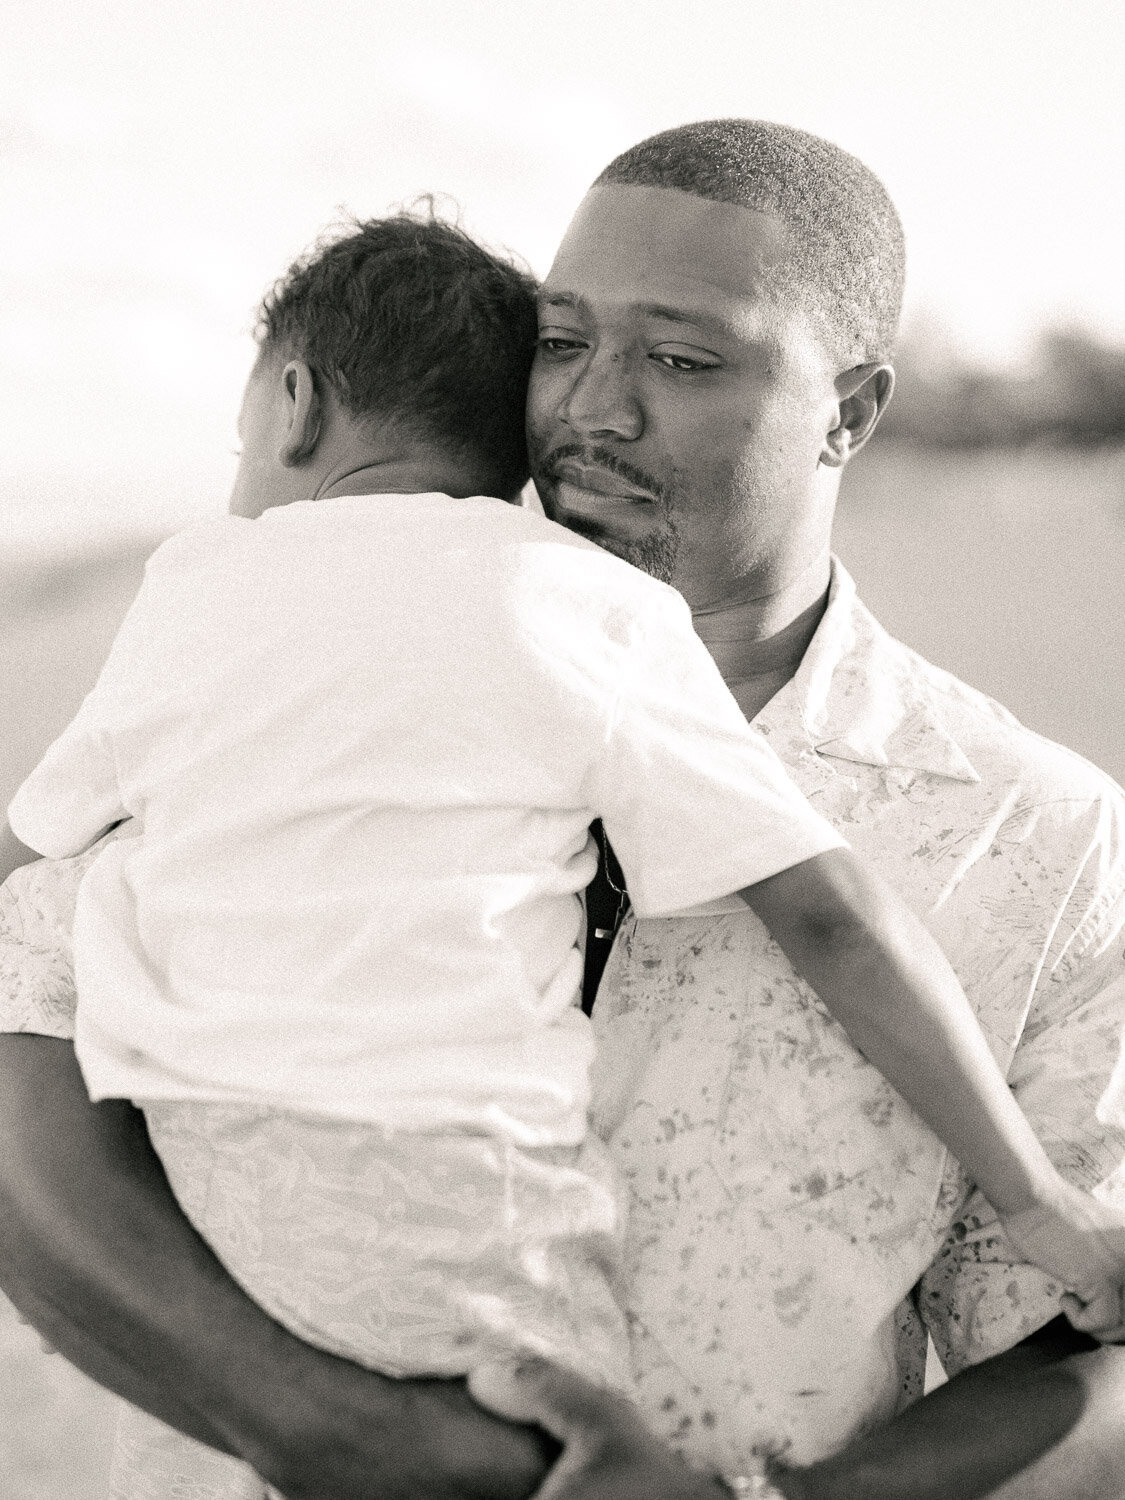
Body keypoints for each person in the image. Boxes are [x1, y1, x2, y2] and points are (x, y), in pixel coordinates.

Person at [0, 118, 1123, 1500]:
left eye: (682, 358)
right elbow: (21, 1084)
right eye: (560, 340)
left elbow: (1092, 1343)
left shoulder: (1038, 841)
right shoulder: (262, 663)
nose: (596, 405)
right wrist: (345, 1439)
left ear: (851, 410)